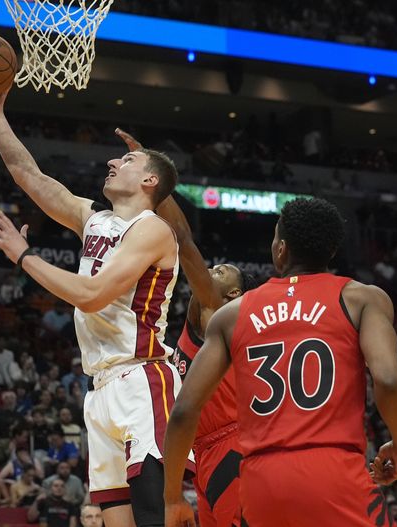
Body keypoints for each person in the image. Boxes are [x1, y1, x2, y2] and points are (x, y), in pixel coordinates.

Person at [0, 84, 187, 527]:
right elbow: (28, 175)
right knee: (114, 519)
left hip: (141, 378)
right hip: (101, 388)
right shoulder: (94, 219)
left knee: (154, 515)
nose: (112, 161)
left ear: (150, 181)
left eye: (127, 160)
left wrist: (24, 255)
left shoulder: (152, 230)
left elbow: (91, 296)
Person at [162, 198, 397, 527]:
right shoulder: (363, 298)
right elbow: (390, 380)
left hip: (260, 479)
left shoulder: (231, 315)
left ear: (280, 249)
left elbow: (182, 412)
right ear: (332, 251)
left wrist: (172, 497)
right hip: (333, 469)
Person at [120, 128, 257, 527]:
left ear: (233, 295)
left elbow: (182, 238)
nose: (211, 271)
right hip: (202, 451)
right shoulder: (197, 323)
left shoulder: (216, 313)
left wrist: (154, 183)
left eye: (222, 273)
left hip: (230, 445)